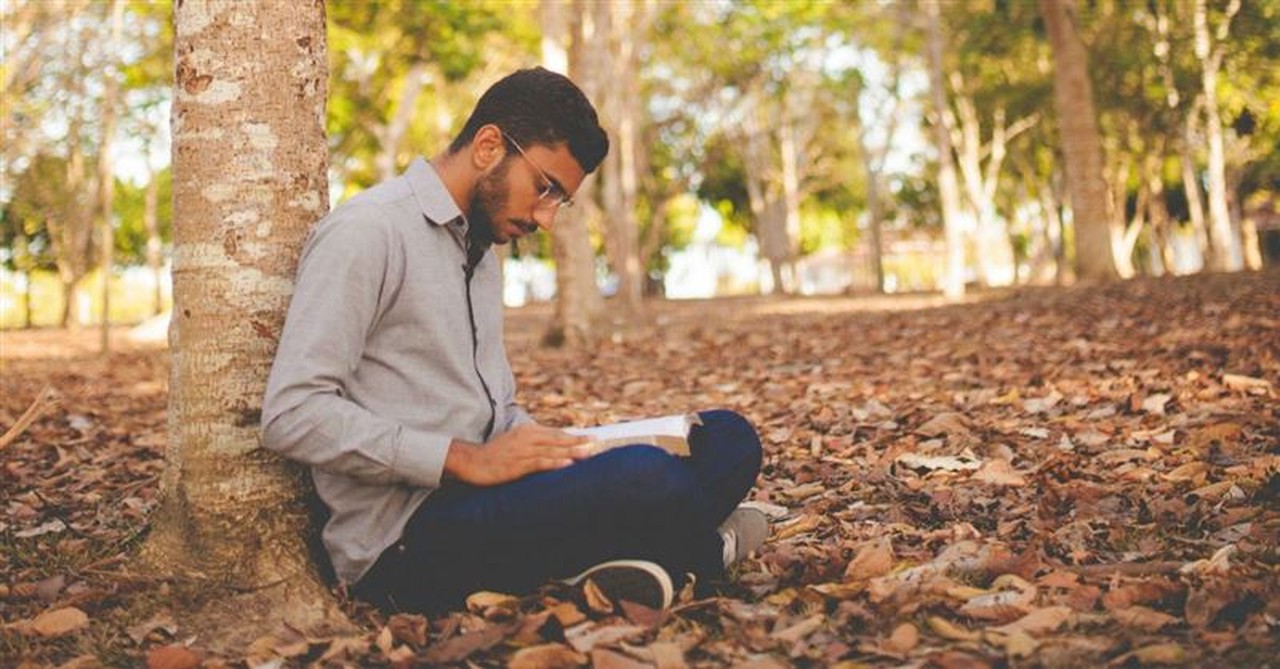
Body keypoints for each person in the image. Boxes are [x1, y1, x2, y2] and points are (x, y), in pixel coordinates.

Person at [262, 67, 766, 614]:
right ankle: (702, 552)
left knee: (727, 439)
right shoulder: (368, 232)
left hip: (493, 496)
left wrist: (562, 450)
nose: (546, 218)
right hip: (407, 539)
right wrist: (461, 460)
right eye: (545, 188)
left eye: (560, 201)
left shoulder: (481, 248)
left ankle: (642, 558)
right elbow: (293, 413)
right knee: (650, 479)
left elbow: (495, 411)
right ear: (487, 146)